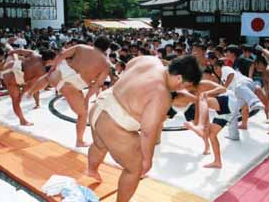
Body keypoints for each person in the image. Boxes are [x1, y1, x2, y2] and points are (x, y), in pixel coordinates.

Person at [87, 55, 202, 202]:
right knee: (135, 169)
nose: (181, 89)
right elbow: (148, 132)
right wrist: (147, 159)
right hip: (112, 123)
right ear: (179, 78)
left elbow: (129, 67)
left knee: (99, 145)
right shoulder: (161, 95)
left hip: (101, 104)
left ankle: (91, 170)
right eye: (184, 86)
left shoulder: (149, 60)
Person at [27, 36, 112, 147]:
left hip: (62, 73)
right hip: (73, 85)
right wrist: (87, 99)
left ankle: (30, 92)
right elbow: (96, 85)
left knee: (48, 77)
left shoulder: (81, 47)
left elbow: (62, 55)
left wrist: (53, 67)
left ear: (94, 43)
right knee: (82, 114)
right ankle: (79, 141)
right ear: (106, 49)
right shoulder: (106, 64)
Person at [186, 87, 238, 169]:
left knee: (203, 100)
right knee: (212, 135)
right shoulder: (199, 103)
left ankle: (216, 160)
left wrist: (208, 92)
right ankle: (218, 162)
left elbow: (223, 89)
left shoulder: (202, 93)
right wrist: (193, 127)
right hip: (228, 110)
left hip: (228, 100)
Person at [2, 48, 56, 126]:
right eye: (54, 60)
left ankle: (22, 120)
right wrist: (22, 94)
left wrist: (12, 51)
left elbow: (20, 50)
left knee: (13, 55)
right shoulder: (41, 71)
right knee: (16, 101)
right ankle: (22, 120)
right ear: (50, 60)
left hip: (10, 66)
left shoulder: (34, 54)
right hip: (13, 78)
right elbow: (29, 85)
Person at [213, 59, 265, 137]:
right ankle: (234, 134)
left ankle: (255, 102)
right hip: (241, 91)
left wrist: (224, 88)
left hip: (244, 84)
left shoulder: (225, 68)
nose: (216, 71)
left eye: (216, 69)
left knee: (238, 87)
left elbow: (231, 75)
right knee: (234, 111)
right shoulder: (223, 78)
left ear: (219, 66)